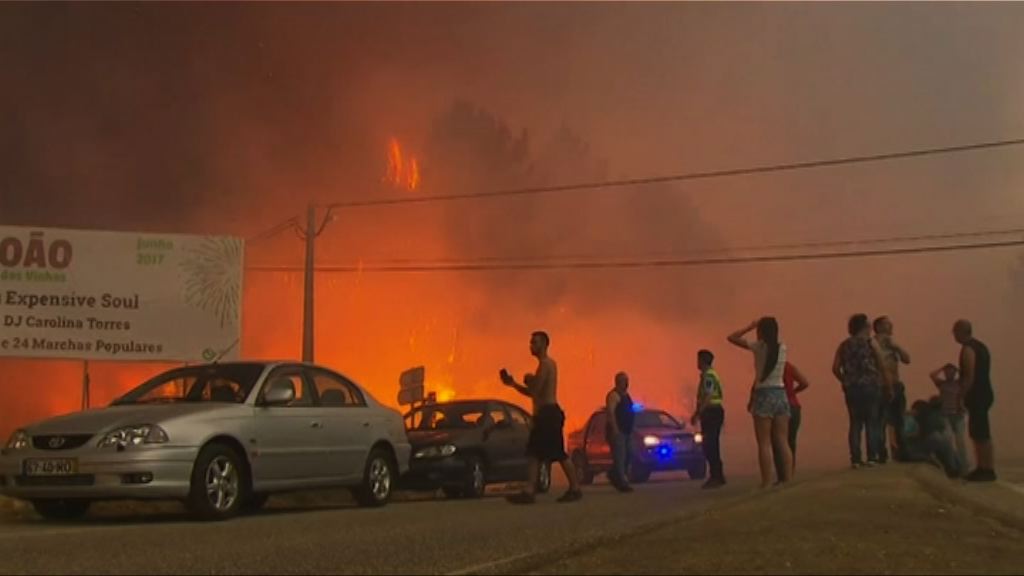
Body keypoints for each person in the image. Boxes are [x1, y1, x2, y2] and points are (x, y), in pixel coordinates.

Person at [500, 331, 584, 503]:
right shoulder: (547, 364)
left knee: (554, 453)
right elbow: (534, 393)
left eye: (535, 343)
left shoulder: (546, 365)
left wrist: (529, 380)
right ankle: (531, 490)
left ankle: (572, 488)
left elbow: (535, 390)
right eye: (531, 343)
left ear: (545, 345)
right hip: (546, 414)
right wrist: (514, 384)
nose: (531, 346)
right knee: (536, 452)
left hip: (548, 415)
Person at [728, 317, 793, 489]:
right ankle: (788, 479)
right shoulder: (783, 347)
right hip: (780, 393)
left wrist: (750, 326)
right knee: (782, 440)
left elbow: (732, 337)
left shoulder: (759, 347)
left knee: (764, 442)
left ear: (761, 331)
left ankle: (766, 481)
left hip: (763, 393)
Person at [833, 314, 891, 468]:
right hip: (871, 386)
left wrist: (845, 379)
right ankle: (872, 456)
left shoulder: (844, 345)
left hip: (852, 388)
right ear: (864, 327)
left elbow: (835, 368)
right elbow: (882, 364)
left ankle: (856, 459)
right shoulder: (871, 343)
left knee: (855, 423)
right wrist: (888, 385)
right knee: (872, 421)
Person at [953, 320, 997, 482]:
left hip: (977, 394)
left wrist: (960, 397)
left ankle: (985, 468)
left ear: (960, 332)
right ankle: (985, 467)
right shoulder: (982, 347)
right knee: (982, 431)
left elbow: (969, 376)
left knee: (979, 433)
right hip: (985, 392)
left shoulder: (968, 349)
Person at [873, 316, 911, 463]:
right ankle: (881, 454)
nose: (891, 327)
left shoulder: (892, 344)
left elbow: (907, 359)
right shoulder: (873, 344)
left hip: (896, 384)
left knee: (899, 420)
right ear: (880, 327)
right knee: (880, 421)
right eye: (888, 325)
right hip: (880, 386)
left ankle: (903, 452)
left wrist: (895, 346)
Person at [690, 349, 726, 489]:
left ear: (702, 361)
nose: (697, 363)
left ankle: (715, 476)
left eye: (698, 360)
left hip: (712, 412)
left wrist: (698, 413)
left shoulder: (709, 376)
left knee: (710, 445)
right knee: (712, 444)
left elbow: (708, 395)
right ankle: (718, 475)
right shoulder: (709, 375)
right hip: (713, 412)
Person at [930, 363, 968, 476]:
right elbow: (932, 375)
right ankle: (952, 466)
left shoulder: (959, 383)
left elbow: (967, 377)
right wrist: (941, 368)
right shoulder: (942, 384)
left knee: (960, 442)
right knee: (948, 440)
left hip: (958, 415)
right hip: (945, 415)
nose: (948, 374)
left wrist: (957, 369)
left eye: (951, 372)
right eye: (947, 372)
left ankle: (964, 467)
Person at [774, 361, 809, 482]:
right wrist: (793, 392)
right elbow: (804, 382)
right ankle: (790, 473)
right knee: (790, 442)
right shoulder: (788, 366)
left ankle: (782, 476)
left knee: (778, 442)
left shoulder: (768, 366)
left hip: (777, 407)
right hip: (793, 406)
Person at [605, 372, 635, 493]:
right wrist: (615, 429)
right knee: (620, 457)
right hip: (618, 432)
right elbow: (611, 413)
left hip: (627, 431)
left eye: (627, 380)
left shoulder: (626, 396)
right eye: (624, 381)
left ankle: (614, 475)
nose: (627, 383)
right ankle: (622, 482)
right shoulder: (613, 396)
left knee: (629, 454)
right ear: (618, 382)